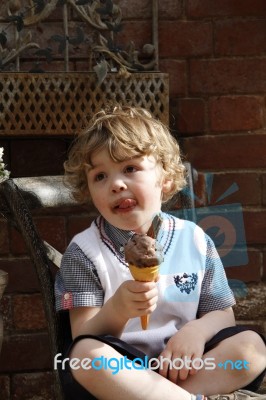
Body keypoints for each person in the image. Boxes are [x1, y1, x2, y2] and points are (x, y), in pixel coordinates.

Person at [54, 105, 266, 400]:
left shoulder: (194, 240)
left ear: (165, 178)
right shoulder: (84, 252)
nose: (116, 184)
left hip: (185, 363)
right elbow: (82, 332)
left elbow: (222, 313)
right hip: (122, 370)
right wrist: (118, 309)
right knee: (86, 356)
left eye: (130, 168)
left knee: (251, 347)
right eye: (100, 176)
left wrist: (196, 332)